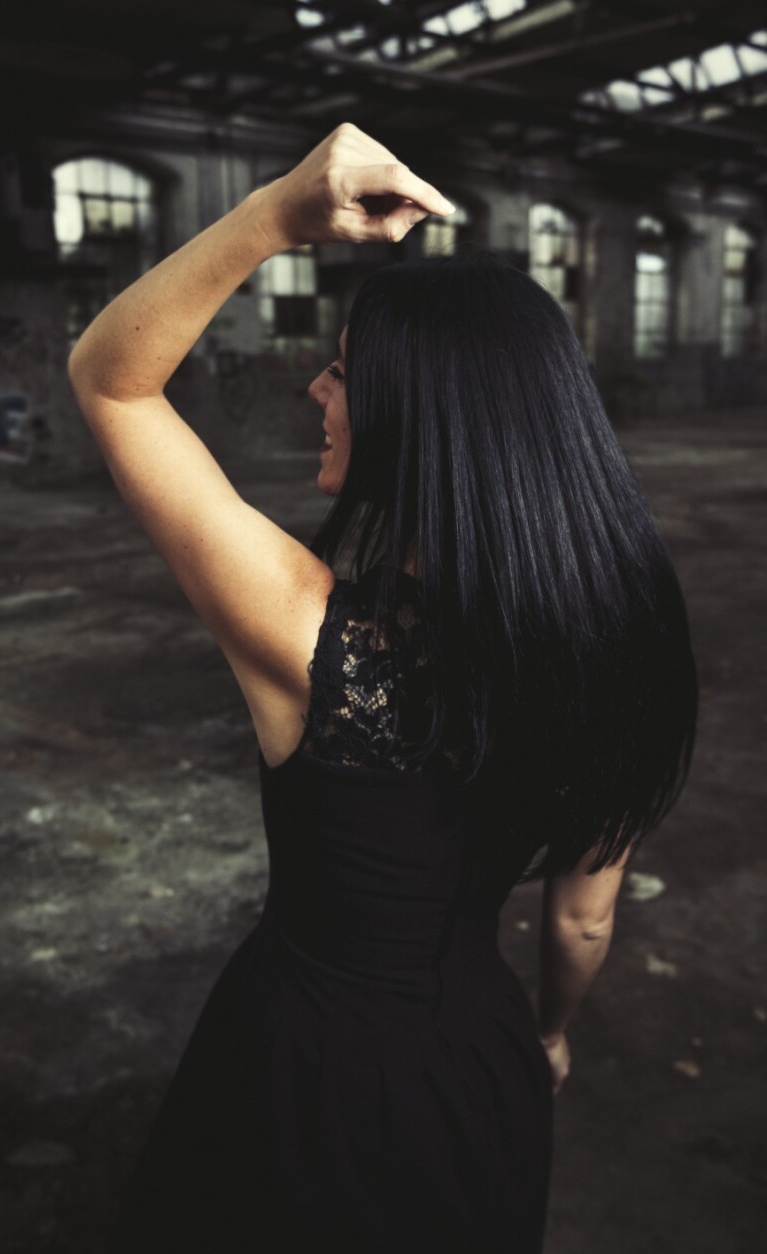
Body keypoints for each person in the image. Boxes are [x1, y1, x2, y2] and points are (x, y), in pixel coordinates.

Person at [68, 123, 698, 1252]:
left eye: (344, 373)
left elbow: (112, 382)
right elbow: (584, 915)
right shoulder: (621, 651)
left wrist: (275, 214)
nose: (316, 387)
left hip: (297, 1073)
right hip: (476, 1069)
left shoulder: (309, 633)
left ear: (420, 421)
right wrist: (548, 1037)